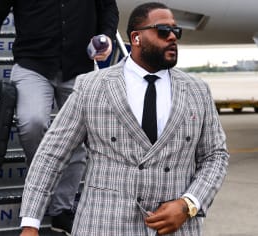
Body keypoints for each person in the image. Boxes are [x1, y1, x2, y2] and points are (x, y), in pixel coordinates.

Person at [20, 2, 229, 235]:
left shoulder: (197, 90)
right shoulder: (92, 87)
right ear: (136, 38)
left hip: (175, 229)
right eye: (163, 31)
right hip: (103, 225)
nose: (172, 37)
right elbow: (51, 155)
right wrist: (30, 224)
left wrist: (189, 203)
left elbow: (215, 156)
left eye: (175, 31)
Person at [0, 0, 119, 234]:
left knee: (78, 138)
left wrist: (108, 36)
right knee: (32, 122)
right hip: (33, 64)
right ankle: (41, 186)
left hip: (79, 67)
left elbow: (108, 7)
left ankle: (62, 209)